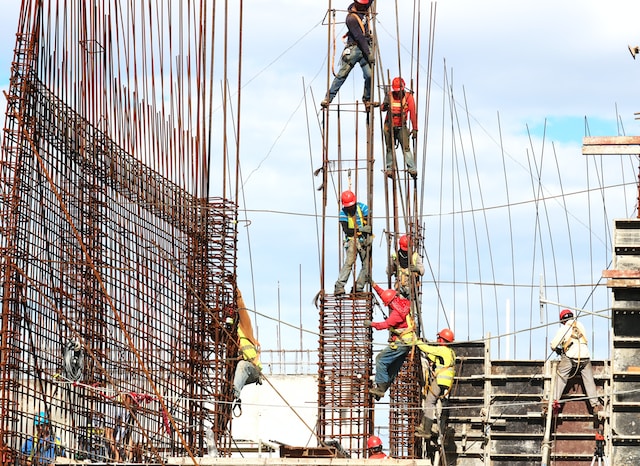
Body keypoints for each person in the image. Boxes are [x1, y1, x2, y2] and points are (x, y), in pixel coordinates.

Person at [366, 281, 417, 400]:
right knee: (393, 368)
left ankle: (380, 388)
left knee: (381, 360)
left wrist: (371, 324)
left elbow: (384, 325)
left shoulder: (396, 314)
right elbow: (386, 295)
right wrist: (374, 286)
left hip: (401, 343)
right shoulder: (404, 303)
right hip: (407, 343)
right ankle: (382, 388)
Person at [321, 0, 374, 108]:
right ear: (357, 4)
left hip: (364, 48)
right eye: (362, 5)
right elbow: (359, 37)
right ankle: (329, 98)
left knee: (369, 76)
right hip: (355, 48)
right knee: (342, 75)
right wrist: (368, 53)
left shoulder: (363, 7)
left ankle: (367, 99)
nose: (365, 7)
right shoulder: (351, 19)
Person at [549, 309, 601, 413]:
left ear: (563, 321)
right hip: (585, 357)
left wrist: (558, 350)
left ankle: (554, 401)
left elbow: (553, 344)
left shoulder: (564, 328)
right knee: (589, 381)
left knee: (561, 377)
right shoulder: (580, 325)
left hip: (570, 357)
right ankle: (595, 404)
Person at [415, 329, 456, 440]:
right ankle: (424, 426)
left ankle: (426, 430)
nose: (437, 340)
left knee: (429, 402)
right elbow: (437, 358)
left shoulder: (442, 349)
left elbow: (427, 348)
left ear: (442, 340)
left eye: (439, 338)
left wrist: (416, 341)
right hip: (446, 382)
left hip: (440, 380)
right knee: (432, 402)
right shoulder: (451, 352)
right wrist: (428, 356)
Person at [232, 287, 263, 415]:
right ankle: (231, 396)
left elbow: (242, 311)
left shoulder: (244, 329)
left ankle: (235, 393)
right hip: (240, 374)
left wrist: (238, 296)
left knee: (242, 365)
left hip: (253, 369)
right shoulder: (229, 339)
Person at [335, 190, 372, 295]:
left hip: (364, 240)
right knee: (349, 262)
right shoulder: (343, 213)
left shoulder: (363, 208)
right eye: (348, 206)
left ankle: (358, 287)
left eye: (351, 206)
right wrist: (361, 229)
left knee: (367, 265)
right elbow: (346, 230)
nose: (349, 208)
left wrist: (367, 232)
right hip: (352, 240)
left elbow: (369, 223)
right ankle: (339, 286)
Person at [380, 77, 418, 179]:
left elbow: (413, 114)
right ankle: (389, 169)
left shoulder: (408, 97)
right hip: (389, 125)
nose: (397, 93)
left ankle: (412, 168)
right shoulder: (389, 96)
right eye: (396, 90)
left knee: (406, 148)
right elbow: (382, 109)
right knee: (389, 148)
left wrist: (415, 128)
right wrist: (385, 104)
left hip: (402, 126)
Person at [386, 234, 424, 299]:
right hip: (400, 288)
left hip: (412, 289)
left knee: (412, 308)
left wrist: (417, 269)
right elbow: (388, 271)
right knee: (400, 307)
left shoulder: (415, 256)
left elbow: (422, 270)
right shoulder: (395, 256)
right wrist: (392, 266)